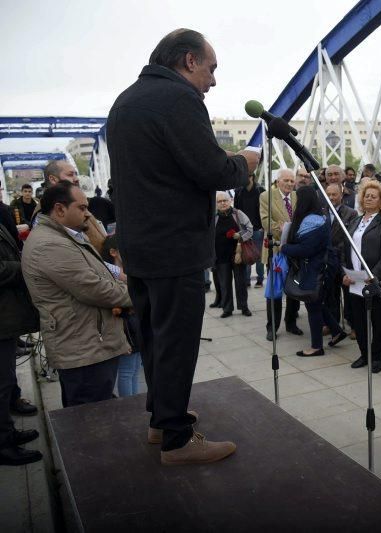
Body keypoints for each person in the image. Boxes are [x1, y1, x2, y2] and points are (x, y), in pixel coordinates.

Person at [107, 29, 259, 465]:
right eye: (211, 69)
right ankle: (177, 439)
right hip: (175, 247)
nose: (213, 81)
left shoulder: (126, 100)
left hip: (140, 248)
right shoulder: (178, 99)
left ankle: (161, 419)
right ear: (189, 61)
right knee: (178, 340)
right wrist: (245, 162)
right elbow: (211, 169)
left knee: (155, 337)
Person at [22, 182, 132, 407]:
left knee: (97, 415)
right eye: (82, 208)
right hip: (84, 350)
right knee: (92, 421)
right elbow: (95, 289)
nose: (88, 213)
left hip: (88, 343)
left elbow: (96, 273)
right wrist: (136, 293)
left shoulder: (61, 236)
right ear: (60, 209)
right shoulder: (50, 245)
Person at [342, 180, 381, 373]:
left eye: (373, 196)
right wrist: (345, 273)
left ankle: (377, 357)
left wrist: (374, 274)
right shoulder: (355, 221)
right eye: (366, 196)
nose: (368, 198)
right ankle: (364, 353)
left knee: (379, 321)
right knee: (358, 320)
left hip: (376, 281)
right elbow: (345, 248)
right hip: (355, 280)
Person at [282, 186, 347, 356]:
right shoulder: (319, 217)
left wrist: (285, 248)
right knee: (316, 303)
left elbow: (306, 249)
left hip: (316, 267)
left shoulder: (312, 221)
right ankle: (337, 331)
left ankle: (316, 346)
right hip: (320, 266)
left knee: (313, 306)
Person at [0, 222, 41, 466]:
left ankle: (7, 433)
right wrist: (24, 266)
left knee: (5, 381)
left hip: (5, 316)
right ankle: (3, 445)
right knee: (1, 385)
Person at [261, 169, 303, 340]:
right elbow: (266, 221)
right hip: (275, 250)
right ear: (277, 181)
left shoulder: (297, 197)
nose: (289, 184)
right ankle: (272, 327)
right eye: (286, 180)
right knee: (274, 291)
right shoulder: (266, 196)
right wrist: (286, 230)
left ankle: (291, 322)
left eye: (292, 181)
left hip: (294, 250)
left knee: (294, 288)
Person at [101, 235, 143, 397]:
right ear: (113, 252)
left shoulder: (131, 271)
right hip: (125, 331)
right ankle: (129, 405)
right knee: (126, 371)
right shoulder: (111, 276)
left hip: (137, 328)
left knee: (135, 369)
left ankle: (136, 401)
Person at [212, 192, 253, 318]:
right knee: (224, 284)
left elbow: (250, 229)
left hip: (238, 254)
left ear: (230, 200)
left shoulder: (237, 214)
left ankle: (244, 307)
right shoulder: (214, 217)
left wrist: (240, 236)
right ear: (216, 204)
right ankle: (227, 308)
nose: (223, 203)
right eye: (220, 201)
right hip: (221, 256)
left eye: (225, 200)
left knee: (241, 282)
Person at [324, 183, 358, 333]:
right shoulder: (321, 212)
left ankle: (354, 325)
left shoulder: (351, 213)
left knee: (349, 294)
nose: (331, 198)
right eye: (328, 194)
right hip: (327, 260)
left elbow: (350, 238)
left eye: (334, 194)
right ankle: (333, 324)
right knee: (331, 293)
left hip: (344, 259)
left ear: (341, 195)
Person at [234, 172, 266, 288]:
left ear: (252, 177)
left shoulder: (260, 190)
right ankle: (246, 280)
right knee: (246, 254)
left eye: (247, 176)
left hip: (258, 228)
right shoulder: (238, 191)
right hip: (244, 229)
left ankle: (260, 279)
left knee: (258, 255)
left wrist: (264, 226)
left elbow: (265, 209)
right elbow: (236, 211)